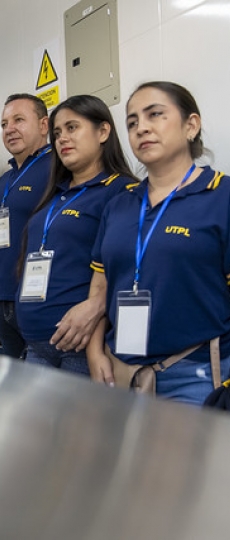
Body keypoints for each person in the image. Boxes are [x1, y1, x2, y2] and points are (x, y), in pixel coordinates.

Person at [87, 81, 230, 405]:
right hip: (119, 370)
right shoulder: (120, 205)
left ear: (191, 125)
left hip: (195, 374)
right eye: (133, 122)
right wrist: (95, 351)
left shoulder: (221, 197)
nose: (142, 128)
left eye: (155, 115)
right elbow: (100, 286)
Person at [16, 95, 137, 374]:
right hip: (35, 341)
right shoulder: (55, 194)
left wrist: (96, 306)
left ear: (103, 131)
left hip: (81, 346)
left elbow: (131, 268)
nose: (62, 139)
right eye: (57, 133)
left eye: (72, 128)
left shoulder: (122, 190)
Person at [0, 94, 52, 358]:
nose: (10, 129)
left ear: (44, 125)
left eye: (19, 120)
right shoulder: (4, 180)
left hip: (42, 300)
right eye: (5, 123)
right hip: (4, 302)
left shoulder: (58, 167)